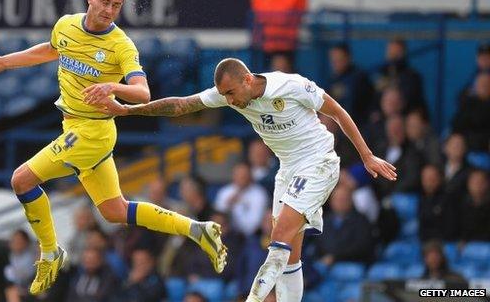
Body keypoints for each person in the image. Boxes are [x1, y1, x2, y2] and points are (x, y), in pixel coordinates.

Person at [0, 0, 226, 294]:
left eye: (116, 6)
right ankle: (197, 228)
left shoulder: (120, 45)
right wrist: (5, 62)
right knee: (114, 211)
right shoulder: (66, 24)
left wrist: (112, 86)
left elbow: (143, 92)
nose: (109, 10)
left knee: (21, 180)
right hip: (74, 126)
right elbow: (52, 50)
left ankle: (50, 252)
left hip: (92, 133)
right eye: (105, 2)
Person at [94, 57, 396, 302]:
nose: (229, 100)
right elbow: (182, 104)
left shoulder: (291, 85)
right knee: (292, 254)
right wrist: (129, 109)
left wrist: (367, 156)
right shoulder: (231, 95)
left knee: (279, 242)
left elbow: (338, 112)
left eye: (231, 93)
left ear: (247, 79)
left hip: (318, 163)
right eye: (224, 95)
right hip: (288, 169)